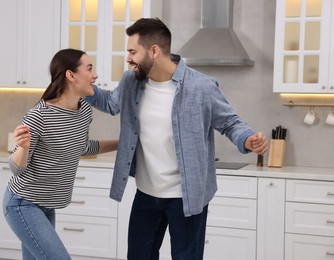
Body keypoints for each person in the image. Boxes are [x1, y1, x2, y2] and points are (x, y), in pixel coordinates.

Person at [86, 18, 268, 260]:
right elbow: (110, 103)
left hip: (187, 197)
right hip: (146, 194)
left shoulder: (201, 86)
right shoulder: (132, 81)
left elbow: (230, 123)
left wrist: (247, 140)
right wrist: (80, 86)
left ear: (154, 51)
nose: (128, 58)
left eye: (132, 51)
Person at [3, 48, 118, 260]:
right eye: (89, 69)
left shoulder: (83, 111)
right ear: (71, 75)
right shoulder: (39, 116)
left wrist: (122, 143)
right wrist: (23, 147)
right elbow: (16, 168)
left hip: (47, 206)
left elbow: (83, 147)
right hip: (23, 203)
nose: (95, 75)